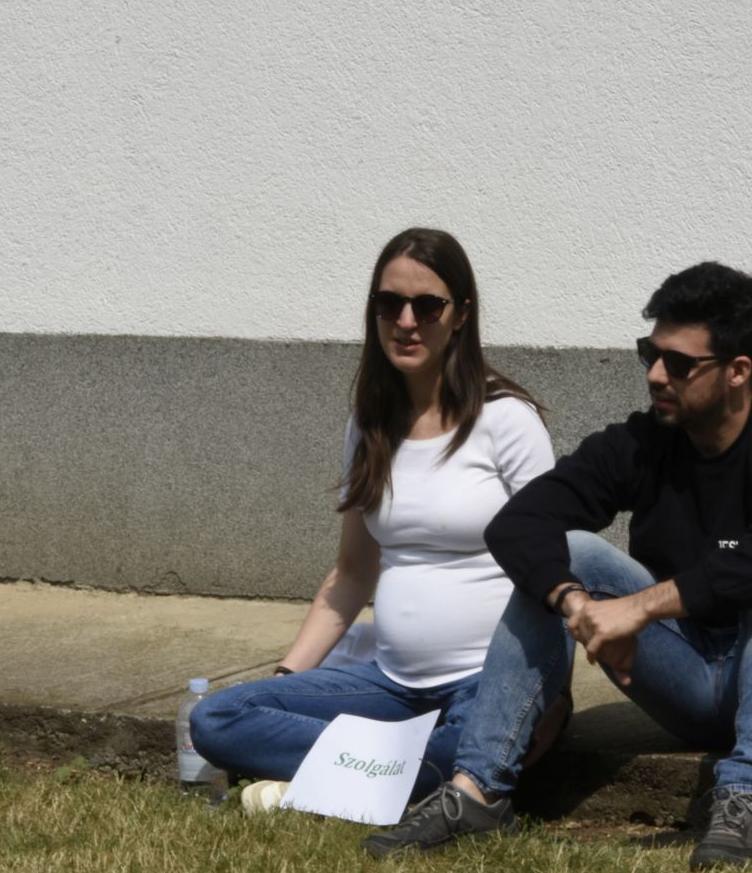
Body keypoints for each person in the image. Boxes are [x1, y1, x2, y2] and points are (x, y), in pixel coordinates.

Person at [364, 262, 752, 870]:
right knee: (573, 553)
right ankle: (477, 792)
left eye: (679, 363)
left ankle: (747, 795)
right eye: (650, 353)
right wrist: (578, 605)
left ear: (739, 370)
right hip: (698, 680)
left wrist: (638, 608)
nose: (656, 374)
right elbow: (518, 522)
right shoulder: (645, 441)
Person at [189, 228, 555, 802]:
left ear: (461, 315)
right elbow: (352, 574)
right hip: (392, 688)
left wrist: (547, 690)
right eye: (389, 304)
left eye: (427, 306)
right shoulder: (370, 424)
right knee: (217, 719)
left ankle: (343, 774)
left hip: (485, 683)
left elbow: (555, 565)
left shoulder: (507, 420)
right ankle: (386, 775)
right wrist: (288, 678)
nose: (406, 322)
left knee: (465, 746)